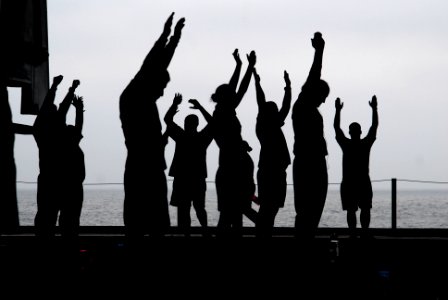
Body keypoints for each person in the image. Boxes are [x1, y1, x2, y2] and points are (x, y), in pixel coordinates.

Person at [119, 13, 185, 240]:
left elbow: (153, 68)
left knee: (152, 227)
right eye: (162, 85)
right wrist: (168, 37)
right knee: (140, 226)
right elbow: (151, 66)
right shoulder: (133, 98)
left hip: (150, 167)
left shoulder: (142, 101)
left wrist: (172, 38)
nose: (162, 91)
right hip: (142, 167)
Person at [210, 48, 256, 237]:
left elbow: (237, 88)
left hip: (233, 164)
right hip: (233, 165)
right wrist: (246, 67)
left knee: (232, 213)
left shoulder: (223, 110)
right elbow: (239, 88)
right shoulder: (223, 112)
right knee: (234, 212)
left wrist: (242, 66)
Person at [291, 32, 330, 240]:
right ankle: (302, 248)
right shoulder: (303, 105)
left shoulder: (308, 108)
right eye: (323, 97)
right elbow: (315, 75)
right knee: (306, 211)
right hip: (308, 163)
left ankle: (305, 245)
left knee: (313, 213)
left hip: (315, 163)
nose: (323, 101)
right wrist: (319, 52)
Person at [33, 76, 80, 239]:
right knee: (65, 224)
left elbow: (59, 107)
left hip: (48, 180)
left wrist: (57, 87)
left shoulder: (41, 132)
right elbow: (62, 107)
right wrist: (66, 89)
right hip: (61, 181)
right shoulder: (52, 131)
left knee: (45, 221)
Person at [164, 93, 213, 237]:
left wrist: (174, 105)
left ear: (185, 124)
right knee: (199, 208)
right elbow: (213, 123)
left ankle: (185, 235)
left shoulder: (181, 136)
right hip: (197, 179)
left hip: (182, 179)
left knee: (183, 209)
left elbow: (167, 119)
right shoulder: (202, 139)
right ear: (197, 125)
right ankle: (205, 231)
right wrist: (200, 108)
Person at [253, 68, 291, 238]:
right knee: (269, 208)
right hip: (271, 172)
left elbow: (284, 107)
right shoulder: (265, 127)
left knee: (270, 207)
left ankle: (264, 234)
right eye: (275, 111)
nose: (278, 113)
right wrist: (257, 82)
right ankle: (263, 236)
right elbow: (265, 102)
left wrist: (287, 88)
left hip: (273, 172)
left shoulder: (266, 127)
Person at [334, 96, 378, 238]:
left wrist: (338, 111)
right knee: (365, 209)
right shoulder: (365, 144)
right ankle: (364, 234)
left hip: (349, 182)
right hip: (363, 181)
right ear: (359, 132)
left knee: (352, 210)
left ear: (350, 132)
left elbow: (336, 128)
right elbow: (374, 127)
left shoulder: (346, 145)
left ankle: (353, 234)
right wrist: (374, 109)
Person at [59, 95, 85, 242]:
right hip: (72, 187)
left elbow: (78, 124)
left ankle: (68, 240)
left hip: (71, 187)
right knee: (71, 218)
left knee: (69, 218)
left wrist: (78, 109)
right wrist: (78, 108)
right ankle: (69, 241)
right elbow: (78, 124)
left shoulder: (66, 145)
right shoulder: (70, 146)